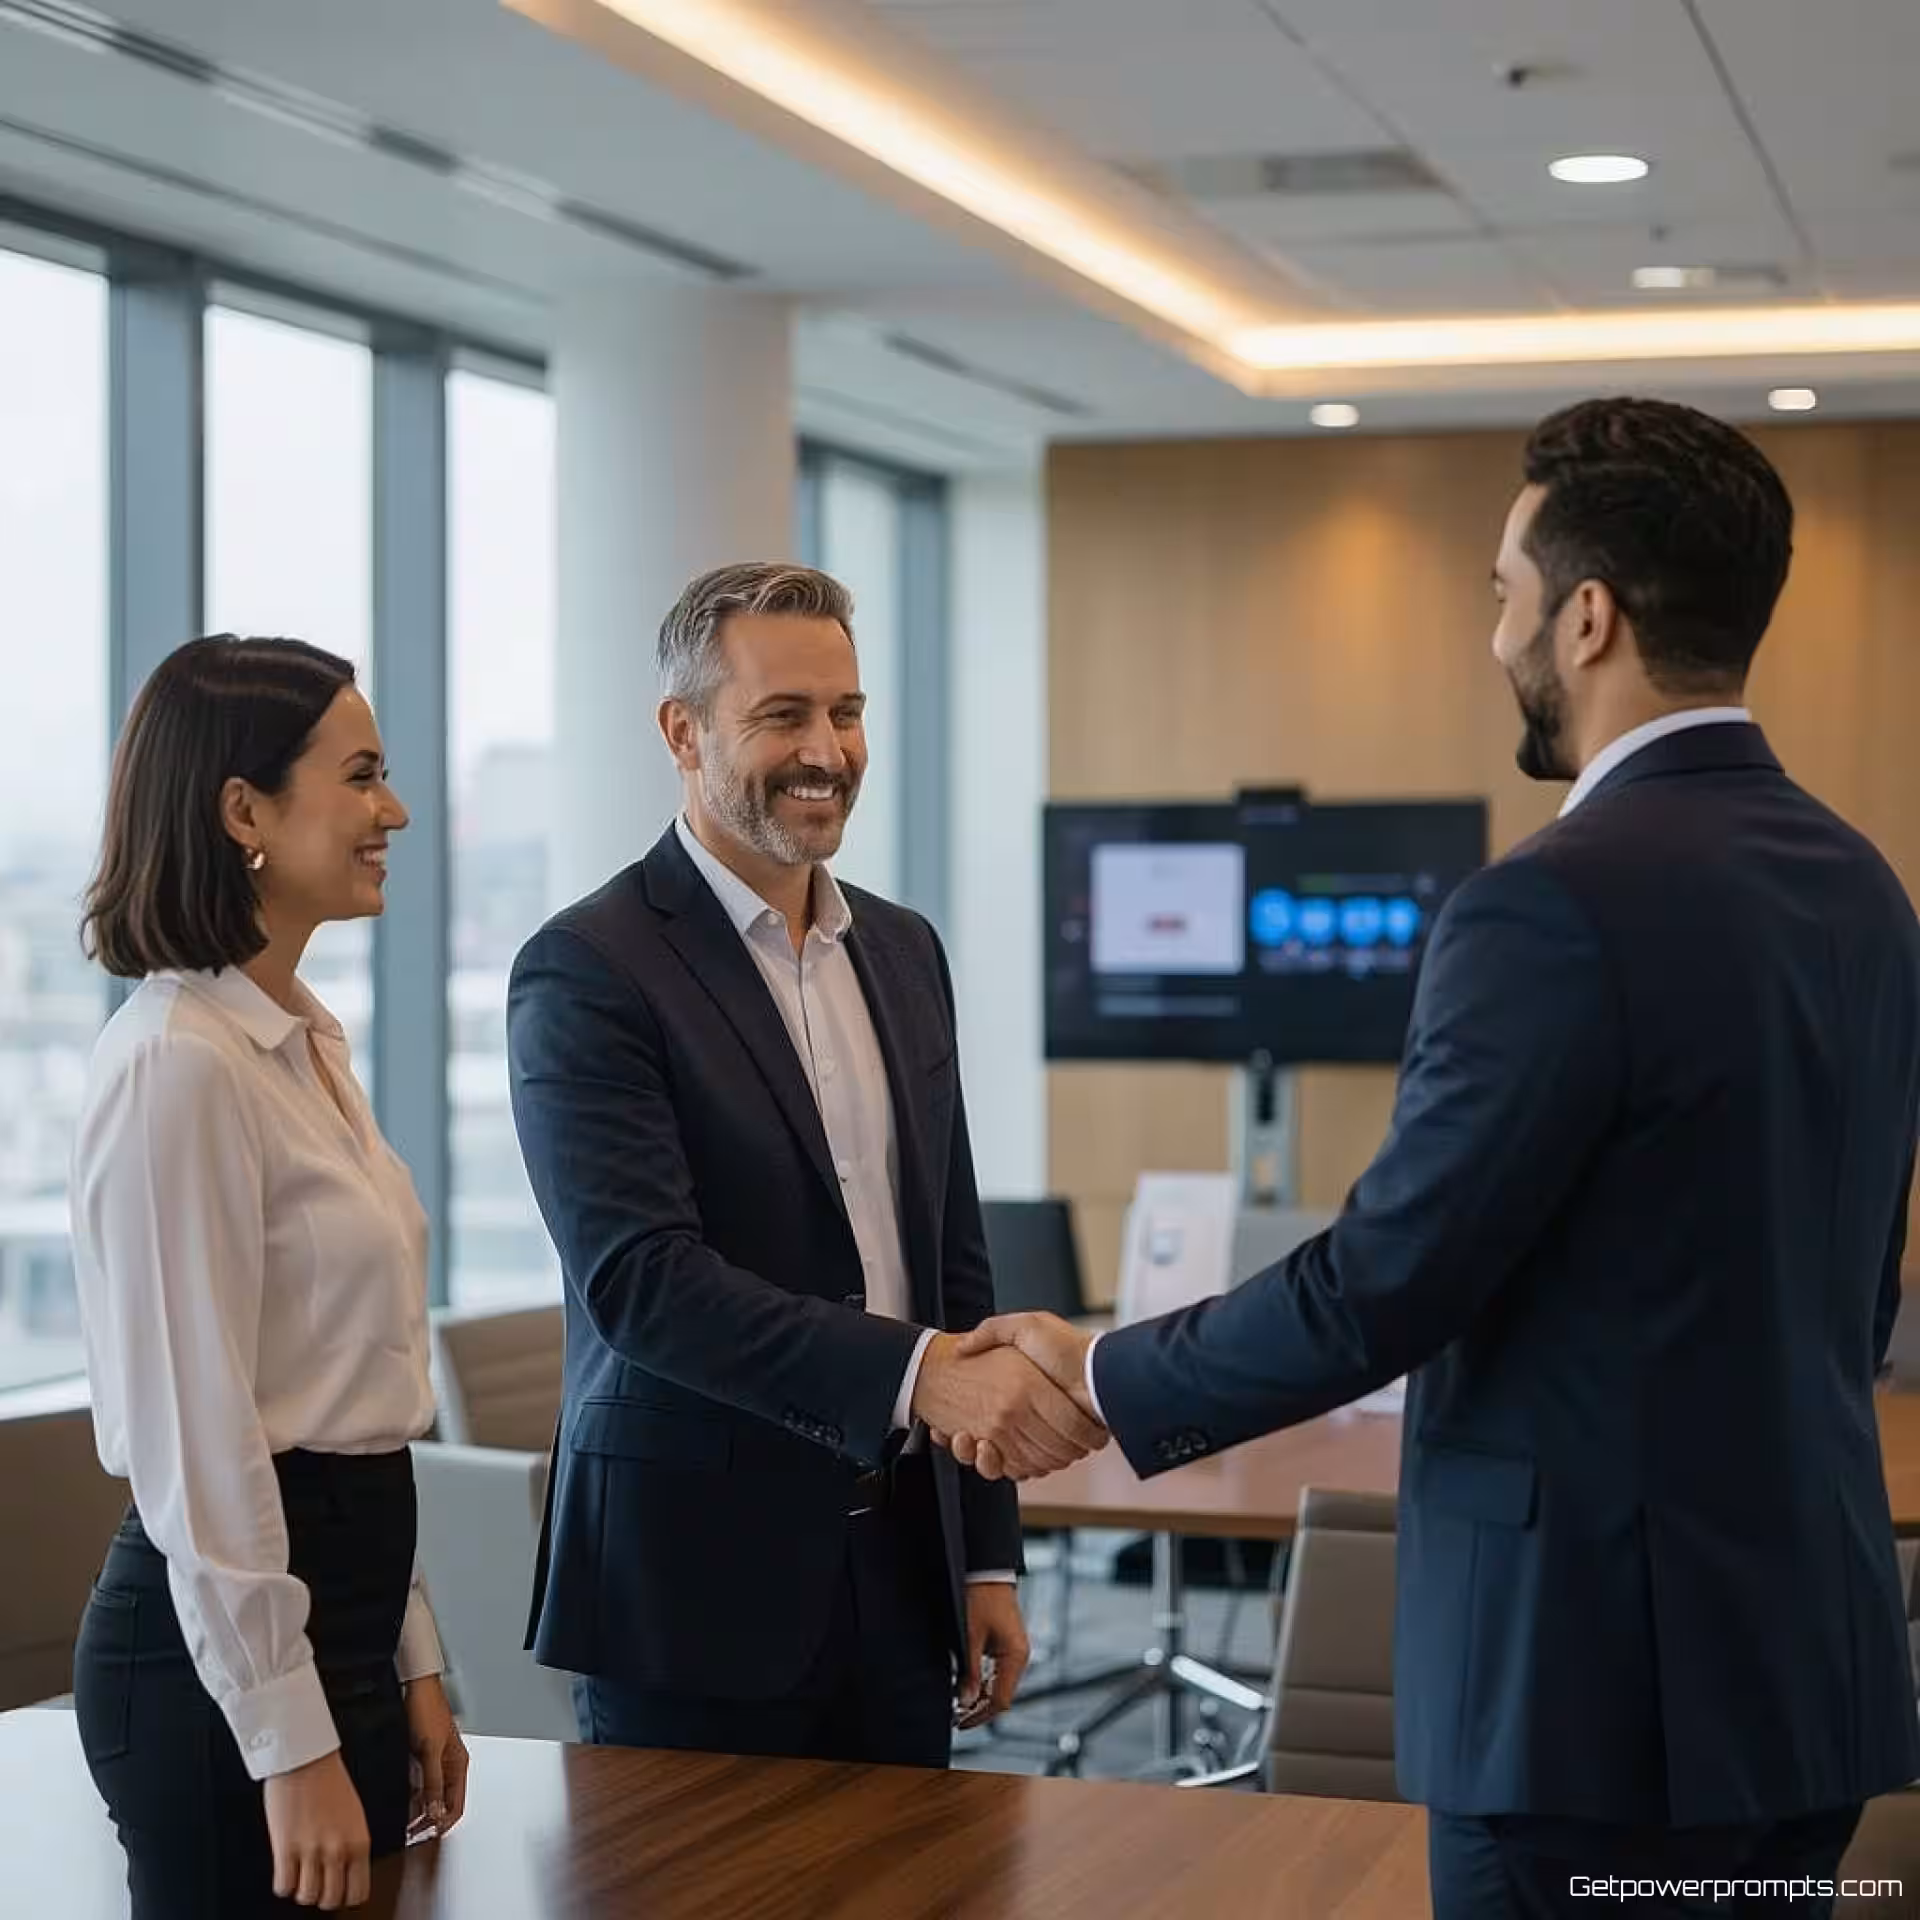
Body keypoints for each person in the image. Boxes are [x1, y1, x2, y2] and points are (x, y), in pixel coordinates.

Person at [951, 400, 1920, 1916]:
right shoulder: (1861, 885)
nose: (1497, 636)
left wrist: (1104, 1372)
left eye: (1504, 594)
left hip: (1588, 1703)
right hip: (1804, 1674)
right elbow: (1855, 1299)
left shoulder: (1548, 904)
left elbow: (1384, 1283)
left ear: (1587, 618)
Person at [508, 562, 1103, 1767]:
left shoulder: (903, 949)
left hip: (905, 1576)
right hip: (692, 1593)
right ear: (683, 732)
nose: (826, 750)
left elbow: (951, 1260)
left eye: (847, 711)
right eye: (783, 715)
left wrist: (985, 1554)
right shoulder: (589, 967)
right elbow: (644, 1286)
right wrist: (921, 1378)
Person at [70, 637, 469, 1917]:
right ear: (243, 811)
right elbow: (202, 1447)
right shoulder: (176, 1065)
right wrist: (288, 1742)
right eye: (360, 776)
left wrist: (413, 1660)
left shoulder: (302, 1043)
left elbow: (357, 1399)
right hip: (218, 1679)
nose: (393, 811)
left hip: (337, 1625)